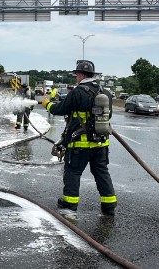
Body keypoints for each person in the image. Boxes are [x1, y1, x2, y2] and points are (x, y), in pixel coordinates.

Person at [40, 60, 117, 216]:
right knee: (101, 172)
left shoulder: (77, 92)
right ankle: (109, 205)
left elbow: (59, 109)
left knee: (73, 173)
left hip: (79, 144)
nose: (76, 77)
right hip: (101, 143)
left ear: (81, 74)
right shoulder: (106, 93)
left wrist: (46, 103)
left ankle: (70, 204)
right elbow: (108, 116)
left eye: (76, 75)